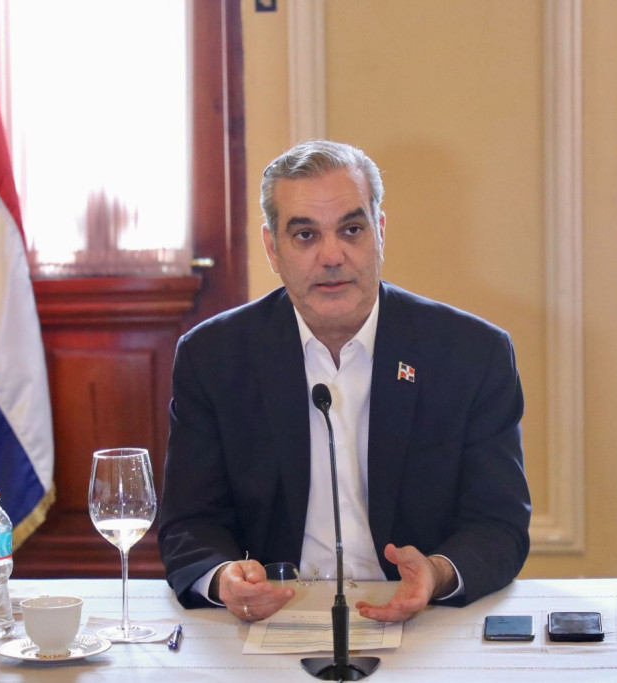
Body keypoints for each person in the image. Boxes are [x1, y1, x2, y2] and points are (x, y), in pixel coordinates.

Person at [158, 140, 531, 623]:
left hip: (425, 617)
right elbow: (190, 523)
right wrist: (224, 576)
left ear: (379, 232)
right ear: (273, 248)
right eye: (306, 235)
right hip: (274, 616)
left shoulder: (471, 353)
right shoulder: (213, 357)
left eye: (351, 229)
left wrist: (437, 573)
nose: (332, 255)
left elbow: (499, 524)